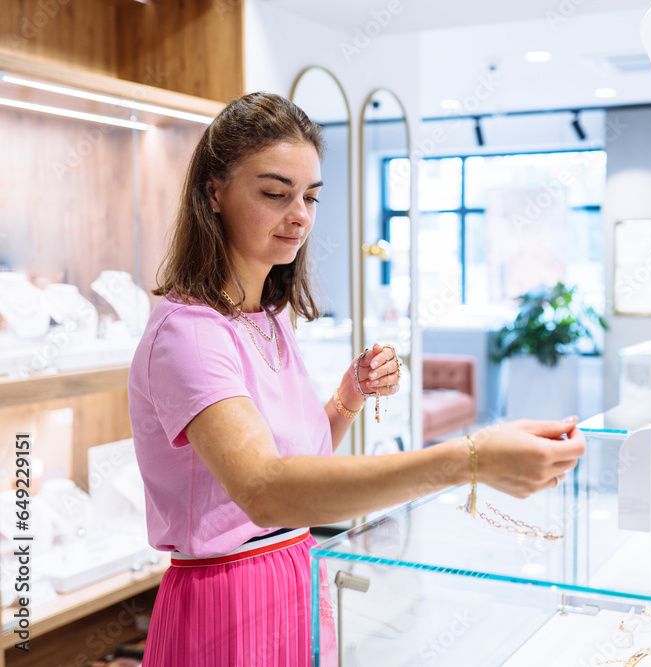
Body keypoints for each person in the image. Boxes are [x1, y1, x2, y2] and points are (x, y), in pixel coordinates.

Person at [127, 92, 585, 667]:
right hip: (228, 598)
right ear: (213, 192)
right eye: (275, 194)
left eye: (310, 197)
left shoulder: (266, 319)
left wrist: (347, 399)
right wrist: (468, 460)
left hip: (295, 571)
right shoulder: (190, 333)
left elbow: (298, 462)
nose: (299, 216)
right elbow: (265, 490)